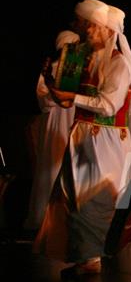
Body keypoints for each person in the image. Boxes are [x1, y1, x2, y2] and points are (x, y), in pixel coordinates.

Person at [34, 0, 131, 278]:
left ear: (107, 30)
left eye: (92, 26)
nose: (87, 31)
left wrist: (72, 97)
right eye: (87, 25)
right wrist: (54, 86)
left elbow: (109, 105)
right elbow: (67, 104)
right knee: (74, 196)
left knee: (95, 197)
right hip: (82, 135)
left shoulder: (119, 65)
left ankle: (93, 256)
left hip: (106, 138)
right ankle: (85, 256)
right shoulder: (85, 60)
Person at [25, 30, 80, 230]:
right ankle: (45, 219)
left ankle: (74, 218)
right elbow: (43, 101)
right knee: (51, 168)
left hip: (76, 121)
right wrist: (56, 93)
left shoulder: (83, 70)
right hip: (55, 123)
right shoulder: (51, 70)